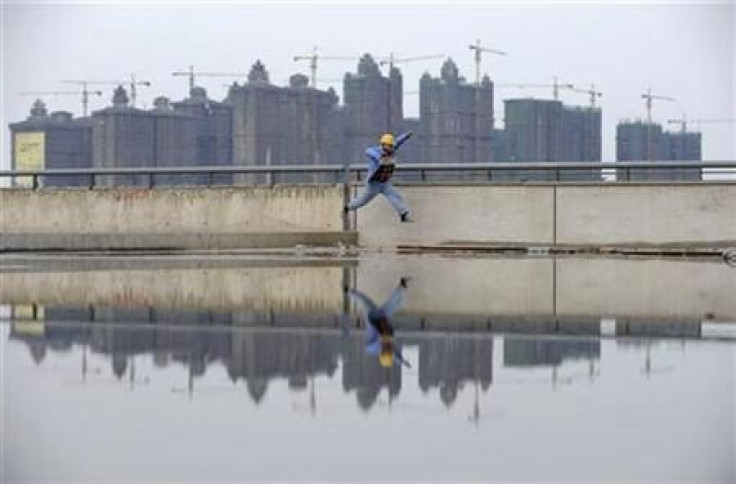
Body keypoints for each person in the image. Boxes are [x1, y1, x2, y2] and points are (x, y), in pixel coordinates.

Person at [344, 132, 414, 222]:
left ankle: (403, 215)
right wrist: (379, 157)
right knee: (362, 201)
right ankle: (348, 207)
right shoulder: (377, 151)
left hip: (385, 182)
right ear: (384, 145)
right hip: (374, 184)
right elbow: (368, 151)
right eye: (390, 146)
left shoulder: (391, 149)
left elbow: (398, 141)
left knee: (396, 196)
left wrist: (406, 136)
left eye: (392, 146)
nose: (392, 148)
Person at [343, 278, 412, 368]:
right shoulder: (390, 349)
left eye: (386, 351)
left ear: (382, 353)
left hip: (372, 316)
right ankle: (402, 285)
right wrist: (402, 362)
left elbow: (371, 346)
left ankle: (348, 292)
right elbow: (396, 356)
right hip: (383, 316)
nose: (388, 349)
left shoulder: (374, 348)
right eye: (389, 351)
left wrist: (382, 339)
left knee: (364, 301)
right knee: (394, 304)